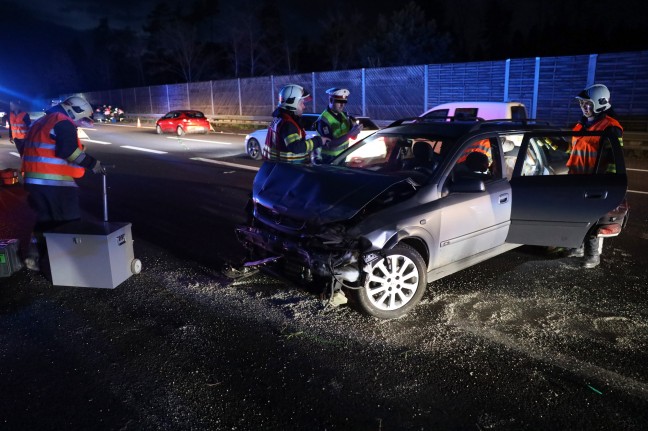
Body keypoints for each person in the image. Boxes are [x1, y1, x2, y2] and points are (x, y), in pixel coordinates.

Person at [21, 96, 105, 274]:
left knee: (45, 220)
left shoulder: (40, 122)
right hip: (55, 183)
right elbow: (68, 151)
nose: (79, 122)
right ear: (75, 110)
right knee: (69, 222)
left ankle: (34, 257)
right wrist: (92, 164)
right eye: (82, 118)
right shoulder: (63, 121)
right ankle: (70, 267)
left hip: (34, 181)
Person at [566, 84, 623, 269]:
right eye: (582, 103)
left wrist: (609, 182)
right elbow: (571, 150)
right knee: (577, 217)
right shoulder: (580, 125)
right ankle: (578, 248)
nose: (584, 107)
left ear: (600, 103)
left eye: (587, 103)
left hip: (594, 181)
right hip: (576, 180)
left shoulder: (610, 128)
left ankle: (592, 256)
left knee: (592, 220)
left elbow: (615, 159)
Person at [262, 84, 328, 164]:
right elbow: (296, 147)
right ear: (292, 104)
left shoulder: (280, 119)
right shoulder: (288, 124)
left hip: (277, 168)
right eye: (301, 103)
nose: (304, 107)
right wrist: (319, 141)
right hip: (287, 170)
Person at [315, 87, 363, 163]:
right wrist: (350, 134)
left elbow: (353, 137)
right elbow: (329, 144)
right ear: (331, 100)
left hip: (342, 157)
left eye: (344, 102)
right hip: (329, 159)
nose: (342, 105)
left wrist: (355, 130)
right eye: (339, 102)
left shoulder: (344, 116)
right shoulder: (323, 120)